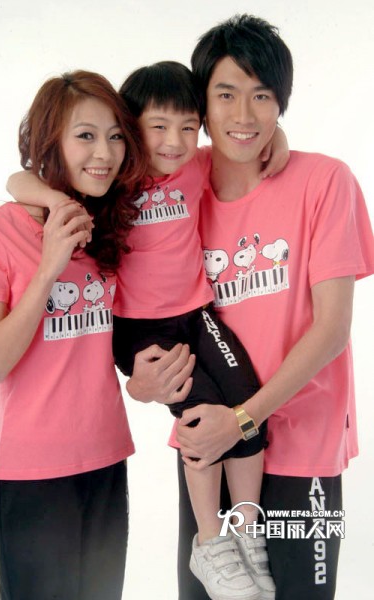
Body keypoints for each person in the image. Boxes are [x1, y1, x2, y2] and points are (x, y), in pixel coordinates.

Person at [6, 61, 290, 600]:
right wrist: (56, 201)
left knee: (248, 405)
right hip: (139, 328)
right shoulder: (112, 179)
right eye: (158, 127)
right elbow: (19, 179)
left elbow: (242, 147)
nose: (174, 141)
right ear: (131, 129)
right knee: (201, 415)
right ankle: (210, 543)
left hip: (197, 313)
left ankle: (246, 532)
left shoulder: (196, 166)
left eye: (188, 127)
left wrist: (277, 135)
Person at [128, 14, 374, 600]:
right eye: (226, 94)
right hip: (208, 447)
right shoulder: (175, 182)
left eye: (262, 96)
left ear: (281, 103)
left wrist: (243, 419)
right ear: (202, 104)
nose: (244, 115)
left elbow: (333, 328)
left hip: (301, 448)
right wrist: (140, 384)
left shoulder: (326, 182)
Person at [0, 70, 148, 600]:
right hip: (34, 472)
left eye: (115, 136)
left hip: (107, 458)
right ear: (49, 141)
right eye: (85, 135)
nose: (104, 152)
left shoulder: (105, 225)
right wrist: (47, 268)